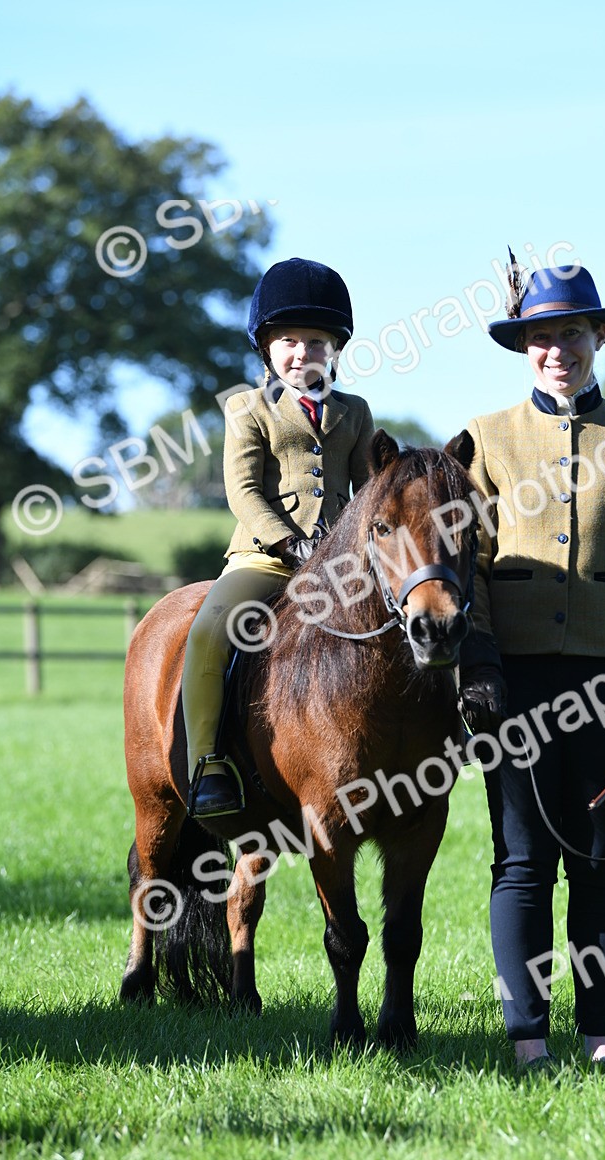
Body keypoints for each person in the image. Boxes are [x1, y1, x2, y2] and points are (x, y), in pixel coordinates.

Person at [459, 261, 605, 1070]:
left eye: (572, 333)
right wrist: (479, 662)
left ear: (599, 337)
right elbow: (470, 566)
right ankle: (527, 1039)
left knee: (602, 863)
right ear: (524, 347)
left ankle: (601, 1037)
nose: (557, 348)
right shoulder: (484, 439)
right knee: (522, 863)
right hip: (516, 682)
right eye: (542, 336)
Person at [182, 257, 375, 818]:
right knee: (209, 632)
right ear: (267, 348)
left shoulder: (356, 412)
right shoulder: (248, 409)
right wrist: (291, 544)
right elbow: (242, 489)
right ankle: (207, 765)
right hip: (267, 560)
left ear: (335, 349)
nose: (302, 353)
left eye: (316, 341)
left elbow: (367, 490)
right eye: (288, 340)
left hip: (342, 562)